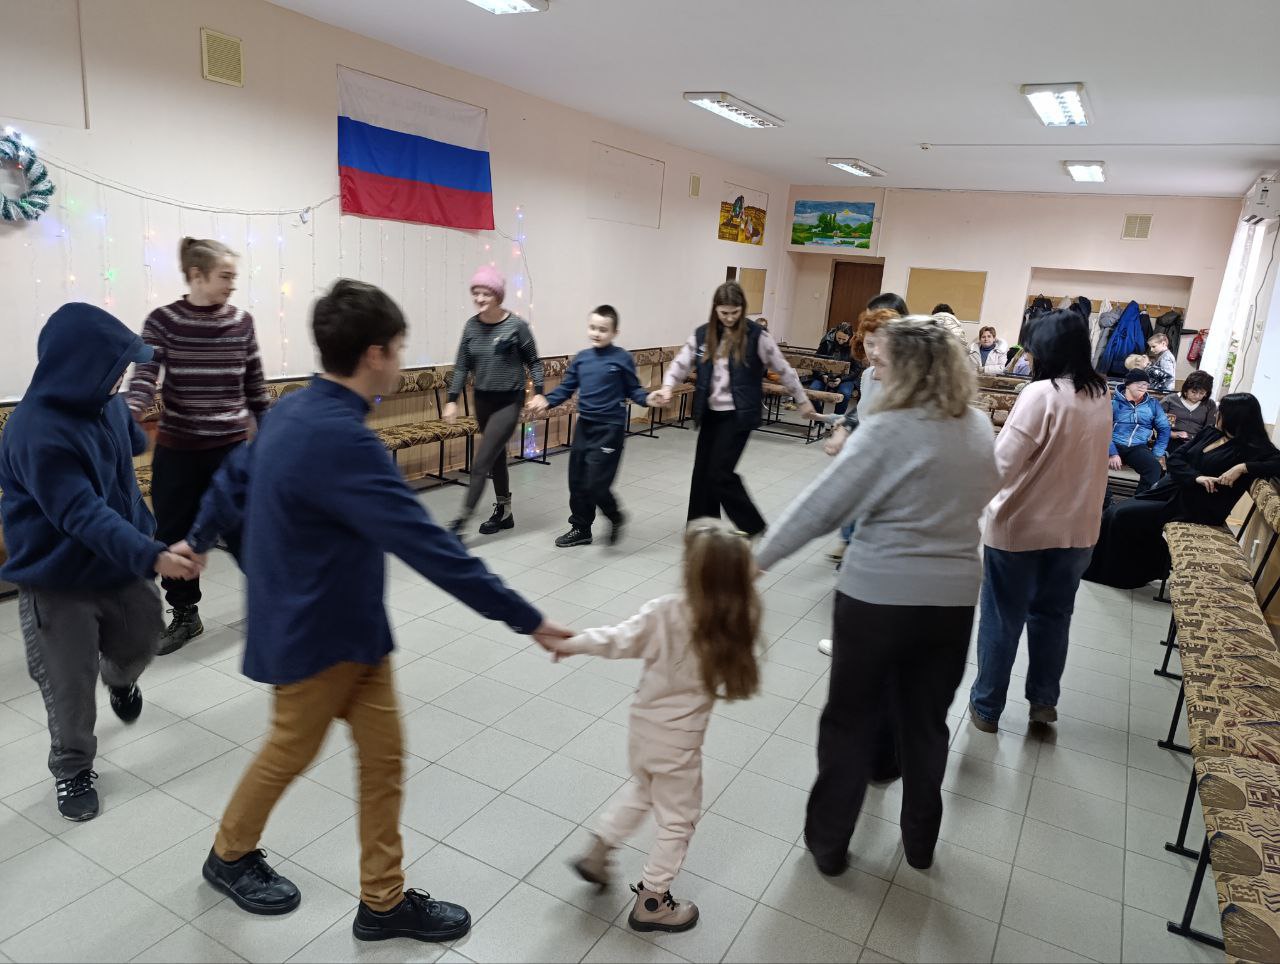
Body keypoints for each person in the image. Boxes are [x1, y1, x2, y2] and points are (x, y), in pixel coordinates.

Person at [176, 280, 570, 942]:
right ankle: (229, 855)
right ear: (375, 354)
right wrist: (525, 617)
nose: (399, 359)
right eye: (398, 349)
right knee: (287, 752)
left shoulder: (293, 411)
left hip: (354, 631)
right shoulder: (342, 439)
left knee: (384, 758)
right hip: (313, 637)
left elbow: (230, 478)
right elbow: (429, 548)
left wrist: (198, 535)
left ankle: (383, 904)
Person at [757, 319, 999, 875]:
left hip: (877, 600)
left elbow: (823, 507)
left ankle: (829, 844)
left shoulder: (886, 429)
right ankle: (919, 842)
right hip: (953, 602)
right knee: (926, 720)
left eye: (883, 363)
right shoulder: (979, 426)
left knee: (849, 719)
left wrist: (759, 559)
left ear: (910, 369)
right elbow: (988, 488)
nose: (873, 371)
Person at [0, 303, 199, 821]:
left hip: (121, 564)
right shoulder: (35, 431)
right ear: (79, 367)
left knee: (140, 639)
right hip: (58, 579)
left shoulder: (104, 403)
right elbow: (82, 514)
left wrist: (156, 415)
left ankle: (120, 677)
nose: (120, 378)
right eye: (114, 369)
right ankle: (72, 769)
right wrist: (153, 554)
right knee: (68, 683)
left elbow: (129, 440)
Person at [550, 518, 761, 934]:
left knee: (644, 790)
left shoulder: (663, 612)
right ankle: (653, 900)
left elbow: (615, 639)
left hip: (642, 733)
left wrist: (570, 643)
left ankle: (599, 850)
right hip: (679, 747)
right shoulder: (732, 624)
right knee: (678, 820)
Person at [967, 309, 1112, 732]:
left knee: (1002, 617)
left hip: (1021, 528)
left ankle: (987, 708)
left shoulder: (1041, 394)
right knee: (1053, 617)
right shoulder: (1101, 392)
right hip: (1078, 529)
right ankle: (1043, 702)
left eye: (1032, 346)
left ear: (1046, 349)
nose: (1027, 354)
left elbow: (1001, 466)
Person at [126, 238, 270, 655]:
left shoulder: (242, 322)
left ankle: (268, 604)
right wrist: (132, 408)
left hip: (230, 450)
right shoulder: (163, 320)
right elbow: (144, 373)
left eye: (233, 277)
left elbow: (255, 388)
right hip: (178, 449)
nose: (232, 285)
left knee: (247, 531)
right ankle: (185, 615)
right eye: (225, 276)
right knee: (174, 534)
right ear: (196, 275)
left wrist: (270, 434)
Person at [649, 281, 814, 537]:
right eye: (723, 312)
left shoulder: (757, 337)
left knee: (720, 471)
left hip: (739, 414)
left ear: (742, 310)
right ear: (715, 309)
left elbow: (783, 368)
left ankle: (753, 525)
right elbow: (681, 364)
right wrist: (668, 387)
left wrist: (801, 399)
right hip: (710, 412)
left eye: (734, 313)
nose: (729, 318)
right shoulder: (703, 334)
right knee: (703, 468)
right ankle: (702, 522)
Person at [1084, 393, 1280, 589]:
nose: (1216, 416)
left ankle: (1133, 572)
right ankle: (1124, 567)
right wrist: (1196, 477)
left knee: (1123, 515)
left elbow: (1277, 462)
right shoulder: (1210, 433)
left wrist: (1243, 467)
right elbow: (1176, 459)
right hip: (1175, 490)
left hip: (1200, 505)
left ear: (1236, 418)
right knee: (1113, 512)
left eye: (1221, 413)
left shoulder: (1251, 448)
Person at [529, 305, 649, 548]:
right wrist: (547, 400)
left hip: (610, 428)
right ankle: (581, 528)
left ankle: (615, 516)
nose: (596, 333)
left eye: (603, 329)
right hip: (585, 426)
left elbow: (634, 390)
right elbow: (566, 389)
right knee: (577, 481)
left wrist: (648, 399)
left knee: (596, 483)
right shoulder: (582, 358)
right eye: (593, 327)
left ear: (615, 332)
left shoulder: (622, 358)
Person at [444, 266, 546, 539]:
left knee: (481, 461)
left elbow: (534, 361)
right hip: (482, 400)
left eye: (485, 292)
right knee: (495, 456)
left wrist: (539, 391)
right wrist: (452, 400)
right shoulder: (471, 326)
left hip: (508, 402)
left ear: (497, 295)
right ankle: (505, 511)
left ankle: (460, 523)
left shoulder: (516, 326)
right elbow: (462, 366)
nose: (479, 298)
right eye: (475, 292)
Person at [1108, 369, 1171, 495]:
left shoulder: (1153, 404)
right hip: (1112, 443)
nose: (1143, 386)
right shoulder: (1113, 403)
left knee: (1154, 468)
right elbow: (1102, 429)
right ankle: (1105, 499)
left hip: (1137, 447)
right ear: (1128, 384)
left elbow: (1164, 429)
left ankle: (1137, 502)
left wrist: (1156, 454)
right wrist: (1112, 452)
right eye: (1139, 383)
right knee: (1091, 464)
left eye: (1146, 384)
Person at [809, 322, 858, 415]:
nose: (840, 341)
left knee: (845, 394)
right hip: (824, 375)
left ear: (850, 337)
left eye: (844, 339)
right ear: (835, 333)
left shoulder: (854, 345)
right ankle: (819, 420)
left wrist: (841, 379)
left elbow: (856, 369)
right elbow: (816, 361)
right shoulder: (827, 342)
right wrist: (822, 376)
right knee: (812, 391)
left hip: (845, 378)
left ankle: (836, 422)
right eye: (838, 338)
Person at [1162, 370, 1216, 452]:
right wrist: (1172, 434)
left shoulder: (1210, 404)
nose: (1197, 396)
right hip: (1172, 439)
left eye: (1202, 393)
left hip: (1196, 442)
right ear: (1186, 389)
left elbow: (1209, 428)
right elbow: (1157, 422)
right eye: (1193, 392)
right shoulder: (1170, 400)